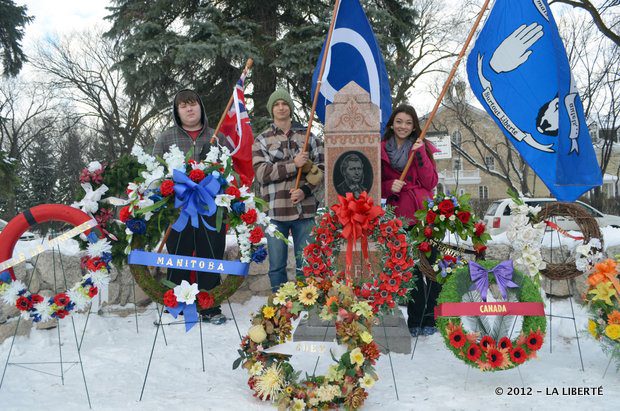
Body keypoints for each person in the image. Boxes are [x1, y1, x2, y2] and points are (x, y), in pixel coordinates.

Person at [153, 89, 231, 325]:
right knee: (179, 256)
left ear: (201, 107)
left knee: (211, 255)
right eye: (183, 106)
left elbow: (230, 170)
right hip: (179, 212)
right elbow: (155, 174)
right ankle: (175, 305)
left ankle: (210, 307)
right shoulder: (166, 138)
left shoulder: (216, 137)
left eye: (193, 104)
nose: (189, 109)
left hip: (211, 212)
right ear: (177, 112)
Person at [253, 88, 324, 291]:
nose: (281, 107)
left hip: (305, 210)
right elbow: (262, 173)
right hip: (275, 211)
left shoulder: (308, 135)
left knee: (307, 265)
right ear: (271, 109)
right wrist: (293, 165)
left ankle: (305, 306)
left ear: (290, 108)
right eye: (276, 104)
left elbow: (322, 168)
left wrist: (305, 190)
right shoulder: (262, 139)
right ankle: (280, 308)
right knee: (276, 266)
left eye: (284, 103)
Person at [380, 104, 439, 337]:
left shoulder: (422, 147)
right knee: (411, 271)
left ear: (414, 126)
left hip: (424, 215)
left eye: (408, 123)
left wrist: (421, 152)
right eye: (399, 122)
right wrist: (388, 187)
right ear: (392, 124)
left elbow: (430, 182)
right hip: (400, 216)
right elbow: (375, 183)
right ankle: (415, 319)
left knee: (430, 269)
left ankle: (431, 317)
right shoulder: (382, 149)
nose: (403, 126)